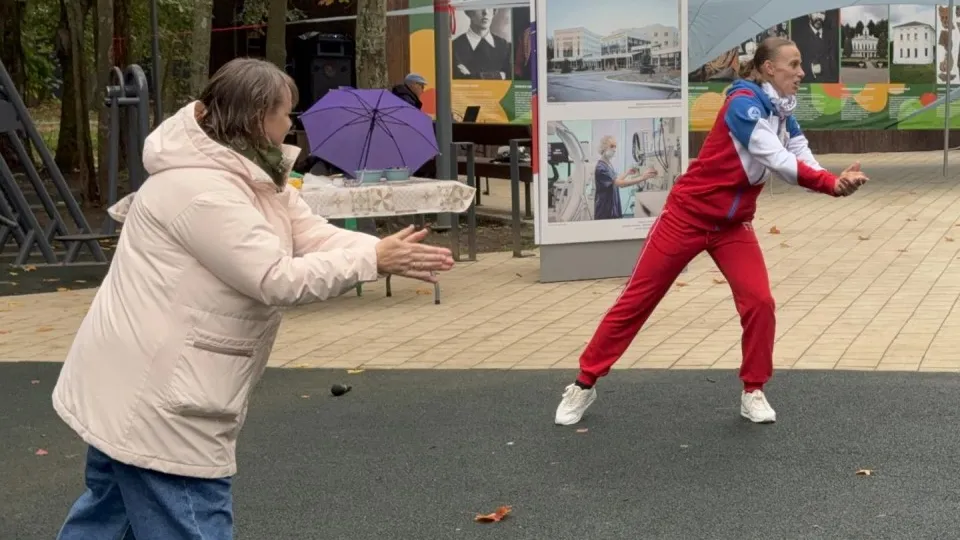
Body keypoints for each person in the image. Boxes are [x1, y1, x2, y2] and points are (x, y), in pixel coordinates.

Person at [52, 58, 454, 540]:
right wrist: (374, 262)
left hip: (137, 387)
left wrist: (381, 251)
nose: (292, 124)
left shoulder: (248, 176)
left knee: (107, 520)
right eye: (286, 113)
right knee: (191, 522)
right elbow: (274, 277)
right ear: (258, 117)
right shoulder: (203, 190)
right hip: (159, 397)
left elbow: (311, 235)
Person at [554, 37, 868, 427]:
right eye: (795, 64)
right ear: (769, 68)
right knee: (637, 300)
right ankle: (584, 383)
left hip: (732, 226)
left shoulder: (782, 110)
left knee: (760, 303)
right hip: (687, 217)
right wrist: (829, 184)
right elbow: (779, 159)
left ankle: (753, 390)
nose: (802, 73)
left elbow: (799, 151)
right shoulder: (743, 105)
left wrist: (834, 179)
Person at [593, 135, 658, 220]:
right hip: (605, 209)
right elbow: (619, 184)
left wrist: (628, 172)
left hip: (611, 206)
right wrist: (643, 177)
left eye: (615, 147)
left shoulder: (608, 164)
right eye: (611, 146)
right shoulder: (601, 167)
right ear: (604, 147)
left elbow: (616, 179)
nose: (614, 149)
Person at [452, 8, 512, 80]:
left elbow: (511, 79)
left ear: (494, 12)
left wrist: (470, 76)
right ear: (469, 12)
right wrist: (499, 75)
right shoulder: (453, 47)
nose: (485, 12)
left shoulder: (506, 46)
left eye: (489, 6)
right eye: (480, 7)